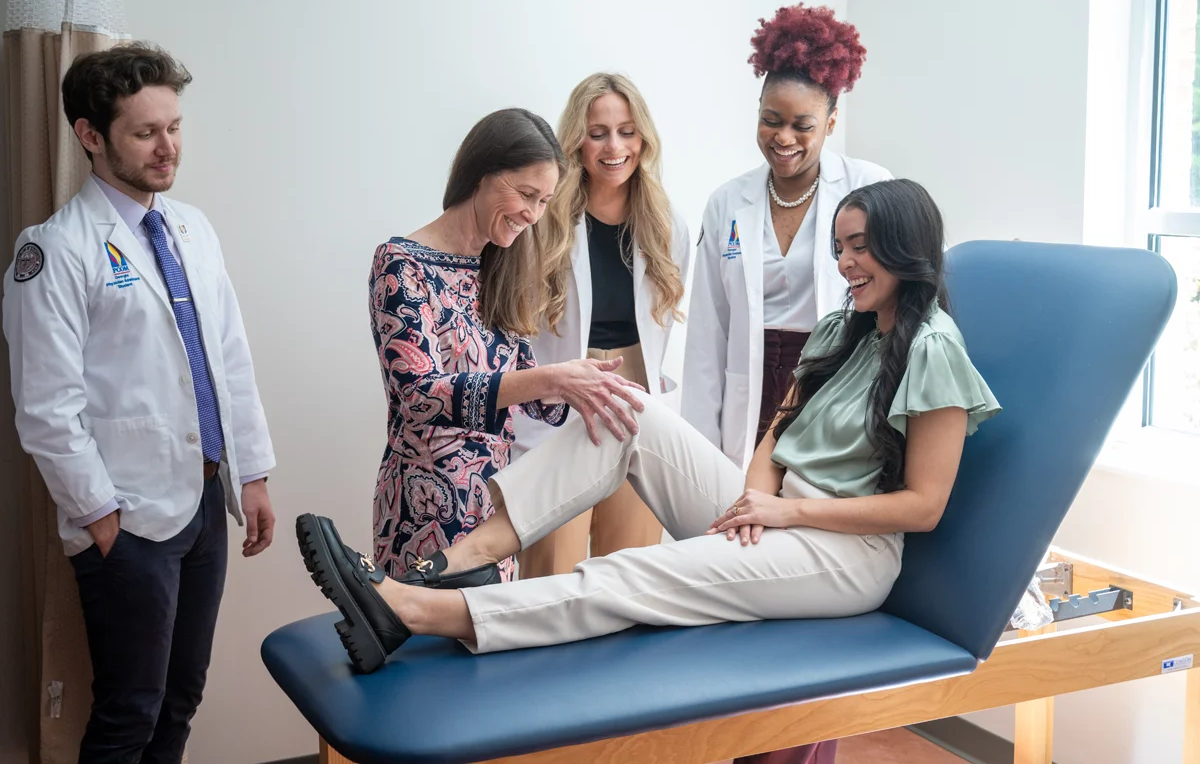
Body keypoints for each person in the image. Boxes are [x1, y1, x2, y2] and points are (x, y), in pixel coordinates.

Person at [296, 179, 1002, 687]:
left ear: (905, 249)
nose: (845, 264)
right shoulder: (838, 330)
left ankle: (416, 610)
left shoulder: (934, 349)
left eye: (860, 249)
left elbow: (923, 506)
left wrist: (786, 512)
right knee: (629, 409)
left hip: (847, 553)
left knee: (636, 572)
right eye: (840, 248)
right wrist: (749, 505)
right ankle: (465, 555)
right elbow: (778, 430)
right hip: (774, 517)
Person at [2, 44, 276, 763]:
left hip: (205, 501)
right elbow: (44, 406)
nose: (168, 148)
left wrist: (252, 473)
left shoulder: (192, 228)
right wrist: (100, 518)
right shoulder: (54, 251)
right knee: (130, 711)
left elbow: (229, 360)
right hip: (128, 521)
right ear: (91, 135)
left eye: (175, 127)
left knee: (182, 698)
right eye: (145, 133)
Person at [368, 107, 647, 584]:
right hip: (423, 510)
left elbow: (532, 398)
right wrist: (549, 378)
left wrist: (580, 387)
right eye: (525, 194)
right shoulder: (401, 264)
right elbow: (418, 396)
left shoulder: (501, 270)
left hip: (495, 512)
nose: (532, 215)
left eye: (544, 201)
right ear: (480, 174)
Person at [683, 2, 893, 474]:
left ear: (831, 123)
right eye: (771, 119)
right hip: (751, 379)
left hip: (836, 375)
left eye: (803, 126)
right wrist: (697, 443)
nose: (784, 138)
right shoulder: (727, 202)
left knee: (809, 505)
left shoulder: (868, 187)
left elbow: (905, 294)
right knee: (738, 513)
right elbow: (707, 331)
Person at [512, 73, 690, 578]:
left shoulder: (666, 224)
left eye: (627, 131)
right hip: (559, 400)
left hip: (636, 400)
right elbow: (514, 329)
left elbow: (660, 333)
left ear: (644, 139)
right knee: (550, 574)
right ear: (576, 141)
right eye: (598, 132)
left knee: (631, 573)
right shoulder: (541, 223)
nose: (615, 146)